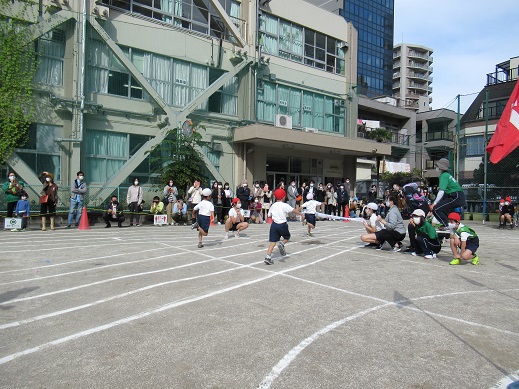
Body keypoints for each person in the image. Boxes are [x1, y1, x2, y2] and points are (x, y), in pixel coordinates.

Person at [264, 188, 302, 265]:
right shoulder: (285, 205)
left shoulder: (273, 205)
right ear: (283, 197)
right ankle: (282, 243)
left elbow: (269, 215)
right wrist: (301, 214)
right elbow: (293, 210)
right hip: (282, 224)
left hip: (274, 225)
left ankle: (268, 257)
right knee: (287, 237)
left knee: (272, 242)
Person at [430, 158, 465, 228]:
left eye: (437, 166)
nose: (436, 168)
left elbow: (442, 191)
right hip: (456, 196)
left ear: (440, 168)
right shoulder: (447, 175)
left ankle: (447, 225)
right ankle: (449, 224)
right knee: (440, 208)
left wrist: (435, 203)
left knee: (436, 209)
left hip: (456, 196)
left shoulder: (443, 175)